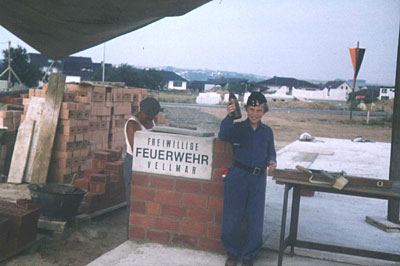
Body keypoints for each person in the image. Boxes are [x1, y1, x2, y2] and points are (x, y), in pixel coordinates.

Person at [218, 91, 277, 266]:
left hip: (258, 179)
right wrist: (229, 117)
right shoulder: (237, 128)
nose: (254, 114)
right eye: (251, 109)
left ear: (264, 111)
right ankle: (232, 253)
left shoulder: (267, 132)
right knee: (232, 217)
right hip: (238, 175)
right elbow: (223, 135)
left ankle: (249, 255)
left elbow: (271, 151)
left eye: (259, 110)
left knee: (255, 218)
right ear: (246, 109)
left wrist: (272, 161)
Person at [123, 97, 160, 239]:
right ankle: (130, 237)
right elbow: (138, 150)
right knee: (133, 203)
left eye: (153, 117)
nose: (150, 119)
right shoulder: (133, 124)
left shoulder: (150, 121)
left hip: (147, 164)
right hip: (134, 163)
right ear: (141, 111)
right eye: (148, 116)